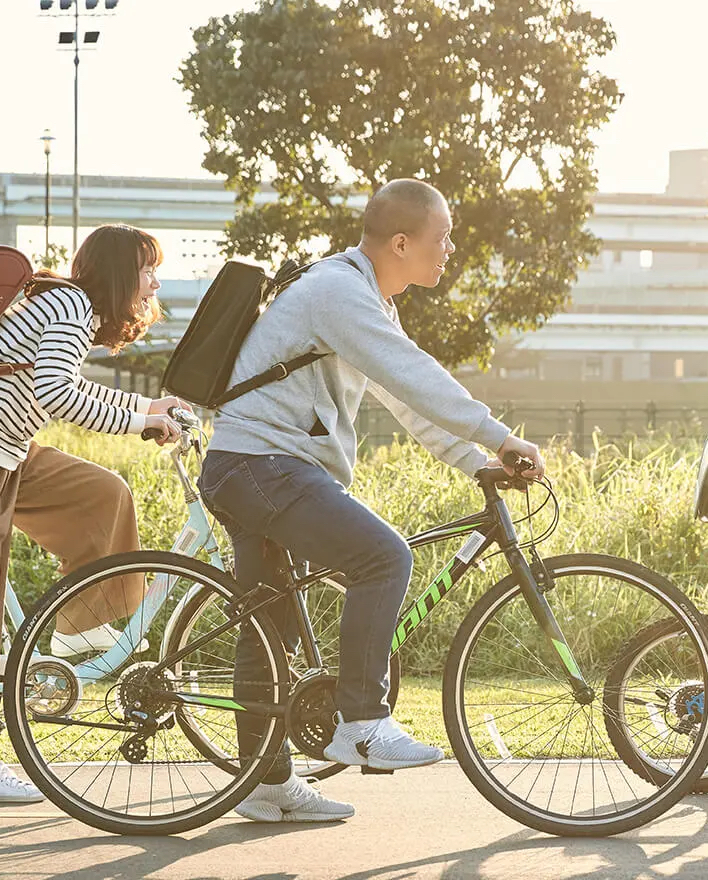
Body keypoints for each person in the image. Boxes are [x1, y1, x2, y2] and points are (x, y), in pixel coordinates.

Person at [200, 178, 546, 823]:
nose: (450, 250)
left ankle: (264, 783)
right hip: (262, 464)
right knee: (383, 558)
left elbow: (405, 399)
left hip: (255, 465)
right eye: (443, 237)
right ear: (401, 243)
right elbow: (413, 374)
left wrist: (475, 459)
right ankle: (361, 722)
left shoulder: (367, 299)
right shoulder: (338, 291)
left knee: (270, 628)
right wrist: (499, 437)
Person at [0, 223, 187, 804]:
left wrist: (150, 406)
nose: (154, 283)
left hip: (6, 454)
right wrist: (143, 420)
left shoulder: (70, 306)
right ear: (121, 274)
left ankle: (76, 628)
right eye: (148, 271)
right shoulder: (68, 305)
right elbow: (57, 394)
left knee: (103, 494)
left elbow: (64, 386)